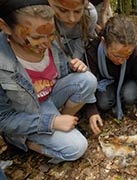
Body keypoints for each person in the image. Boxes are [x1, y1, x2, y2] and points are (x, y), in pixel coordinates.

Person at [0, 0, 98, 163]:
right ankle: (25, 142)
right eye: (36, 37)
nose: (47, 43)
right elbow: (3, 119)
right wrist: (50, 122)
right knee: (77, 148)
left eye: (51, 34)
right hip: (26, 114)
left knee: (87, 79)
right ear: (5, 27)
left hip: (48, 99)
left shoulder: (51, 43)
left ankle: (62, 125)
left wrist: (75, 66)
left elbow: (62, 73)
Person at [86, 15, 137, 135]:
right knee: (103, 103)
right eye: (116, 55)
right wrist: (92, 112)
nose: (121, 61)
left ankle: (122, 101)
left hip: (127, 81)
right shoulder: (93, 51)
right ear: (104, 42)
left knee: (130, 95)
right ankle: (115, 102)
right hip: (106, 82)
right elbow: (89, 82)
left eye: (127, 56)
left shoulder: (135, 51)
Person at [48, 0, 98, 65]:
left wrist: (75, 60)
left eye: (77, 11)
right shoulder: (41, 15)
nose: (71, 19)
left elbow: (84, 40)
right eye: (63, 10)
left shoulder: (90, 14)